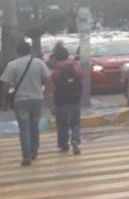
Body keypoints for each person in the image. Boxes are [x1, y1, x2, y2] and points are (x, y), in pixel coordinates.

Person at [1, 39, 53, 167]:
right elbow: (48, 80)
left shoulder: (12, 65)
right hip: (37, 99)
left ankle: (26, 156)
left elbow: (5, 84)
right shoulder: (39, 63)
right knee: (34, 126)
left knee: (24, 129)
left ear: (17, 51)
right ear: (30, 50)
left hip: (20, 101)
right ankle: (34, 151)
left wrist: (3, 101)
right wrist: (46, 96)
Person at [50, 44, 83, 155]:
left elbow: (52, 86)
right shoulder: (75, 66)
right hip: (74, 98)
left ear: (57, 57)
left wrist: (51, 104)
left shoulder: (56, 70)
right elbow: (80, 78)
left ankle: (63, 144)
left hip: (60, 100)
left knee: (62, 124)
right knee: (75, 122)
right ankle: (75, 139)